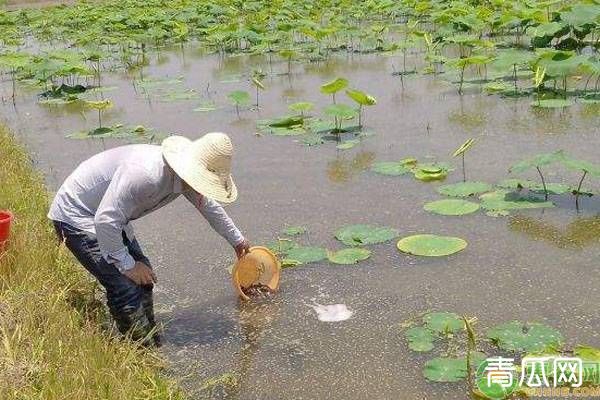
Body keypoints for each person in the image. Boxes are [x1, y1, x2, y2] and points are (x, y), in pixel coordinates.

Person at [48, 132, 250, 346]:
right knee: (124, 286)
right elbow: (105, 221)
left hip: (111, 215)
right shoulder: (146, 177)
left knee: (145, 280)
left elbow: (206, 205)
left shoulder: (184, 177)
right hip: (77, 217)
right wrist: (128, 265)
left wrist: (237, 240)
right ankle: (138, 352)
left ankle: (151, 338)